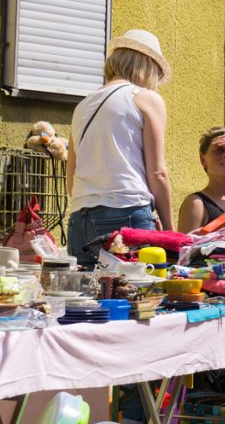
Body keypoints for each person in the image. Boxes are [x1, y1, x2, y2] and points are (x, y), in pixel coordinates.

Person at [67, 29, 174, 267]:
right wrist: (170, 231)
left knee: (88, 300)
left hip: (80, 218)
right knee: (138, 298)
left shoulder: (83, 106)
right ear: (147, 67)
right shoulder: (145, 98)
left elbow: (71, 182)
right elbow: (157, 173)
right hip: (127, 212)